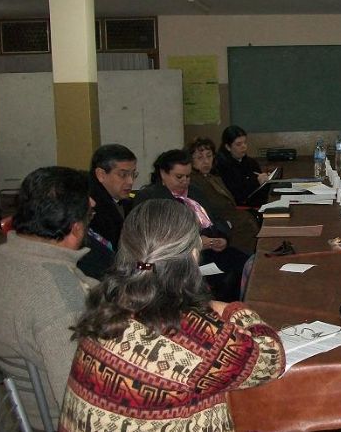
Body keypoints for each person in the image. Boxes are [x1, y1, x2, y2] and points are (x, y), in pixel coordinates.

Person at [59, 199, 285, 432]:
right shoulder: (194, 336)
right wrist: (233, 310)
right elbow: (271, 357)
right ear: (194, 253)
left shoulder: (105, 309)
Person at [0, 167, 97, 429]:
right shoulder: (61, 301)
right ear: (75, 228)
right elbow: (79, 408)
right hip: (57, 418)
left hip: (24, 409)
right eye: (88, 209)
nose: (93, 204)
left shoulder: (0, 262)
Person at [135, 149, 250, 302]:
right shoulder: (150, 198)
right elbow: (154, 240)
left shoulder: (195, 192)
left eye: (188, 176)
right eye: (179, 177)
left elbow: (216, 219)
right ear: (163, 173)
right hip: (176, 260)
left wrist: (222, 238)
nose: (185, 181)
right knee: (226, 277)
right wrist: (196, 242)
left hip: (209, 250)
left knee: (247, 262)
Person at [189, 137, 260, 254]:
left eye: (209, 156)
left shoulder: (213, 178)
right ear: (191, 161)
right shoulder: (193, 182)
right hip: (222, 228)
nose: (206, 161)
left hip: (234, 222)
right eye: (200, 158)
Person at [78, 144, 137, 278]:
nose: (130, 181)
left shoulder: (126, 203)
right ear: (101, 174)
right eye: (123, 175)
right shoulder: (93, 212)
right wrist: (151, 267)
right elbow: (118, 263)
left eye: (133, 174)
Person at [214, 125, 271, 208]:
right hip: (244, 208)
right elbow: (237, 194)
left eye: (245, 142)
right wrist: (256, 181)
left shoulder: (251, 162)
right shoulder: (222, 166)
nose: (244, 146)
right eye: (238, 144)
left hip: (261, 202)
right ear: (228, 147)